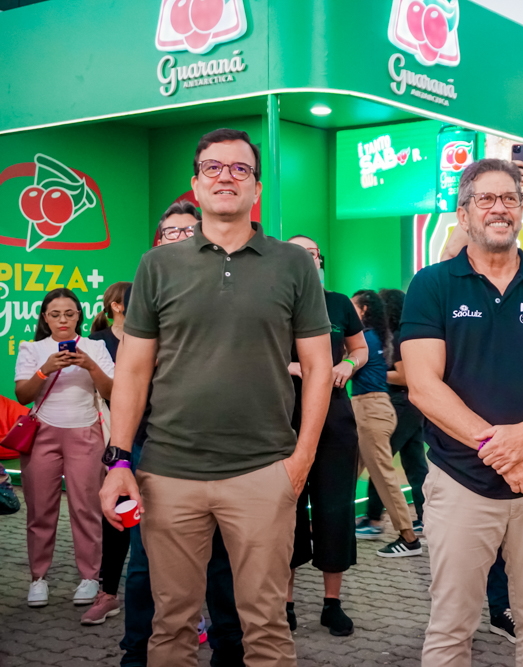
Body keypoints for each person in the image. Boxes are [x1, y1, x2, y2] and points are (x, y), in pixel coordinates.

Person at [99, 128, 333, 667]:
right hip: (168, 474)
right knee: (171, 626)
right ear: (196, 183)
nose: (226, 177)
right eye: (213, 167)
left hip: (263, 471)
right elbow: (133, 370)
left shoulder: (293, 264)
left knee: (266, 627)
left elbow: (319, 368)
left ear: (256, 187)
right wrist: (119, 460)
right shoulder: (157, 266)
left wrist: (301, 460)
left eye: (240, 168)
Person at [401, 158, 523, 666]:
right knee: (451, 627)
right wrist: (502, 450)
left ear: (522, 209)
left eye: (508, 198)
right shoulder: (432, 284)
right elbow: (423, 387)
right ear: (463, 214)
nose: (498, 208)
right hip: (461, 482)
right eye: (484, 198)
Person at [117, 201, 246, 667]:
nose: (180, 239)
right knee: (146, 560)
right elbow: (131, 376)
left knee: (222, 563)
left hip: (228, 453)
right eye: (170, 233)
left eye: (189, 232)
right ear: (157, 243)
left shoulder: (233, 290)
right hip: (155, 449)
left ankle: (229, 650)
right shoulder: (149, 289)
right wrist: (119, 457)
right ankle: (137, 651)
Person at [285, 234, 368, 637]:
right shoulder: (273, 302)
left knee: (335, 511)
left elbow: (360, 349)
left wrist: (348, 365)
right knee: (286, 514)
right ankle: (285, 603)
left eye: (312, 254)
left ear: (321, 261)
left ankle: (331, 603)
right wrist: (289, 367)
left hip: (335, 422)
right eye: (296, 253)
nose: (306, 260)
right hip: (284, 421)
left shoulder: (338, 304)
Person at [14, 288, 115, 608]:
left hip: (85, 434)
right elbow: (22, 395)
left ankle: (90, 577)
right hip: (42, 436)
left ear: (79, 316)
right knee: (39, 511)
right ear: (45, 317)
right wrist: (45, 369)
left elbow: (111, 390)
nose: (62, 320)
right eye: (55, 314)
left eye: (69, 314)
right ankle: (38, 578)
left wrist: (89, 365)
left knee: (86, 510)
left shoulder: (94, 347)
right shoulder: (32, 348)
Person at [349, 289, 421, 557]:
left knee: (383, 475)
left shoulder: (367, 339)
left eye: (353, 306)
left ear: (364, 310)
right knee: (348, 472)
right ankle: (333, 524)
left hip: (373, 409)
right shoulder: (379, 337)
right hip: (372, 407)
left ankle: (409, 538)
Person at [82, 280, 132, 626]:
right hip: (113, 434)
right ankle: (108, 591)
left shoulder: (156, 336)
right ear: (116, 305)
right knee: (116, 516)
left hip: (155, 435)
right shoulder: (97, 342)